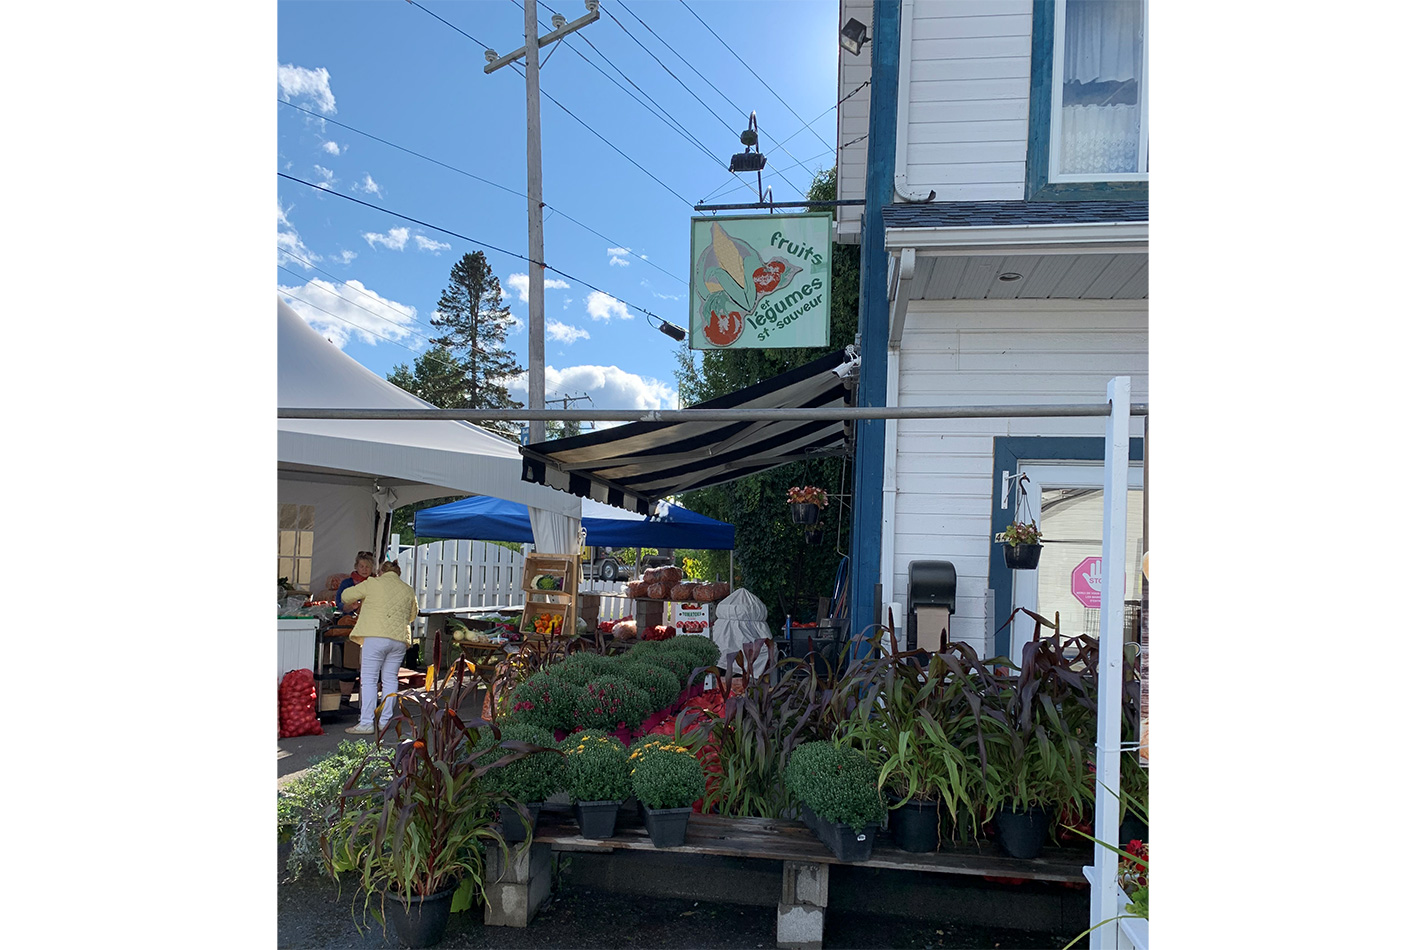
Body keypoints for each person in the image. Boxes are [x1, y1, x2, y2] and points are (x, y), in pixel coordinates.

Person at [340, 560, 418, 735]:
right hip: (398, 639)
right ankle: (385, 721)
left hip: (375, 637)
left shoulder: (373, 583)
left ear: (381, 571)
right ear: (398, 573)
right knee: (390, 679)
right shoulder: (407, 589)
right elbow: (412, 615)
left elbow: (346, 596)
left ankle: (367, 722)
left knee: (369, 679)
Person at [336, 551, 376, 617]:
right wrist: (349, 607)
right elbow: (339, 603)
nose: (364, 569)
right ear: (356, 567)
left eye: (367, 567)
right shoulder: (346, 583)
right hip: (350, 618)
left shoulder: (376, 583)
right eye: (361, 566)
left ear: (372, 568)